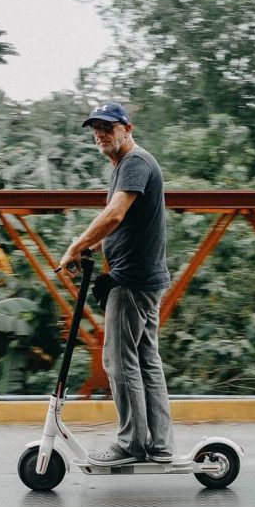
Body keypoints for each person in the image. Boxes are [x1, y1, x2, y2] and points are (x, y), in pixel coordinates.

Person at [58, 102, 174, 466]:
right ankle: (159, 445)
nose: (100, 133)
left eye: (108, 126)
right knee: (144, 359)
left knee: (117, 361)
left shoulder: (135, 162)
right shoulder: (127, 165)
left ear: (127, 128)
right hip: (145, 277)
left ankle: (131, 444)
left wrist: (75, 246)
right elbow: (122, 222)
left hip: (133, 280)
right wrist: (90, 247)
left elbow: (115, 214)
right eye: (95, 128)